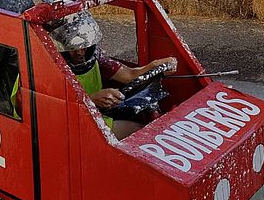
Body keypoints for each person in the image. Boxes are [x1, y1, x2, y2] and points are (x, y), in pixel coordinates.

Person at [47, 10, 177, 140]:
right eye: (73, 48)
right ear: (59, 46)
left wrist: (154, 65)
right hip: (70, 123)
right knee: (141, 132)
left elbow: (130, 75)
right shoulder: (49, 66)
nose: (81, 52)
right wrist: (90, 100)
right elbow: (52, 111)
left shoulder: (95, 56)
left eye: (85, 46)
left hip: (94, 114)